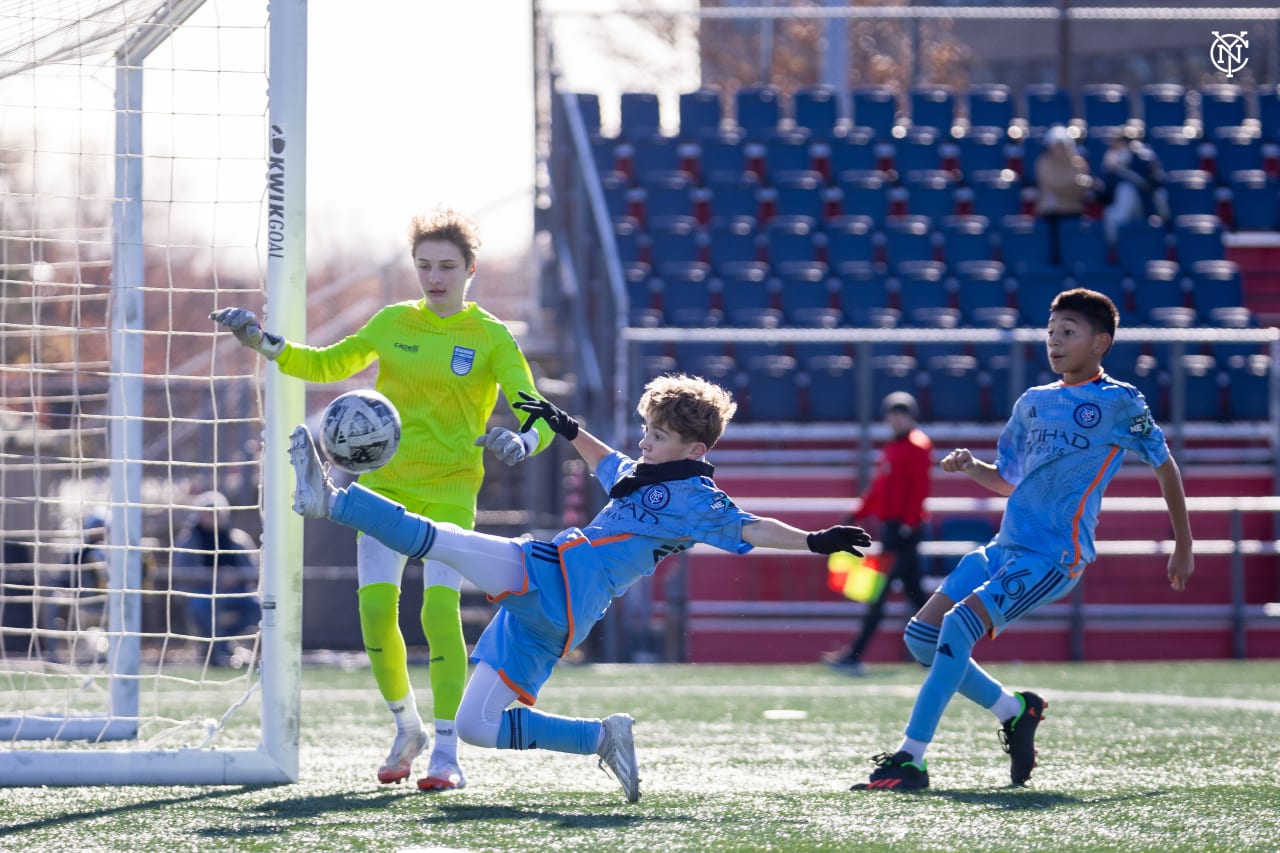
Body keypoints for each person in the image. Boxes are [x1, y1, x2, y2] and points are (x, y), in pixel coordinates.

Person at [287, 373, 872, 803]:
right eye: (647, 429)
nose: (646, 441)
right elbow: (607, 459)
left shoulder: (698, 499)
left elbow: (750, 526)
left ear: (694, 450)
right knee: (476, 727)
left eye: (660, 435)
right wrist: (566, 426)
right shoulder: (646, 471)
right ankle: (600, 737)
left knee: (447, 541)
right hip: (557, 610)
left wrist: (816, 540)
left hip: (564, 581)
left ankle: (335, 501)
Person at [210, 207, 554, 790]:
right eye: (424, 266)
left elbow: (538, 414)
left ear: (471, 269)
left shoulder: (492, 336)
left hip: (448, 494)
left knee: (438, 613)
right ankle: (407, 727)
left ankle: (448, 751)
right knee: (374, 611)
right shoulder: (393, 321)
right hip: (382, 490)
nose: (435, 276)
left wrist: (522, 441)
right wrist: (260, 341)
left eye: (447, 266)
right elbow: (325, 363)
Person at [851, 288, 1194, 791]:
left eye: (1068, 332)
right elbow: (1010, 480)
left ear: (1101, 343)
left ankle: (911, 759)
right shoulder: (1033, 403)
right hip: (1003, 547)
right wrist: (973, 469)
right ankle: (1015, 711)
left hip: (1052, 557)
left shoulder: (1120, 402)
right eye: (1051, 332)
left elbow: (1165, 466)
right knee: (920, 637)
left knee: (955, 626)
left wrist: (1184, 543)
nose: (1055, 342)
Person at [821, 391, 932, 676]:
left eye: (902, 413)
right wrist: (856, 514)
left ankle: (854, 654)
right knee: (917, 596)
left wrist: (908, 525)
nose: (896, 419)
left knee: (880, 594)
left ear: (910, 417)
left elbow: (919, 490)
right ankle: (946, 652)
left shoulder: (916, 446)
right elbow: (879, 490)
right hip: (895, 529)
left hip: (904, 531)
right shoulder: (893, 448)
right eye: (893, 413)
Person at [172, 491, 261, 667]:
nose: (213, 518)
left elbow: (253, 570)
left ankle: (220, 643)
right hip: (201, 593)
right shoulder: (188, 540)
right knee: (200, 605)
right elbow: (182, 572)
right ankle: (218, 649)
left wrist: (236, 576)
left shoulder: (238, 539)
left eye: (217, 514)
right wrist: (216, 577)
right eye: (208, 513)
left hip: (234, 593)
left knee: (257, 606)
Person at [1034, 125, 1093, 267]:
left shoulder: (1078, 162)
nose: (1060, 150)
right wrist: (1072, 185)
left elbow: (1083, 185)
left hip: (1073, 210)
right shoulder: (1044, 162)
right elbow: (1053, 183)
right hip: (1051, 213)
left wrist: (1072, 187)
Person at [1100, 127, 1168, 245]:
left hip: (1144, 205)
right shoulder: (1112, 161)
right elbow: (1106, 194)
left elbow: (1156, 182)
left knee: (1126, 190)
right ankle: (1113, 245)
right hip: (1121, 208)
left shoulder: (1144, 158)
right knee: (1110, 212)